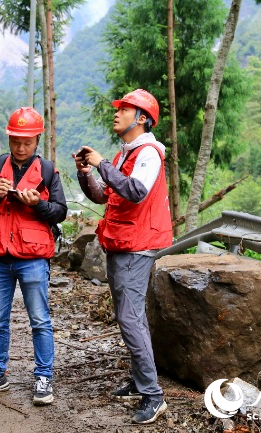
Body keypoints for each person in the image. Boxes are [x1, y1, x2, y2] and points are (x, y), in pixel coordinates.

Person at [73, 89, 172, 424]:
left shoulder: (148, 154)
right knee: (131, 316)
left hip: (137, 245)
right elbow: (103, 195)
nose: (116, 114)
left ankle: (153, 395)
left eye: (125, 109)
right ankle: (139, 380)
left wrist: (100, 162)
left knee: (129, 318)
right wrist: (87, 172)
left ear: (142, 118)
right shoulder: (123, 155)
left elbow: (135, 191)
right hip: (120, 243)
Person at [0, 107, 67, 406]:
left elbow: (60, 211)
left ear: (37, 140)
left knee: (40, 320)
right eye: (16, 141)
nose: (21, 148)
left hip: (33, 258)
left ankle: (43, 377)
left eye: (27, 142)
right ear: (9, 139)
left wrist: (38, 205)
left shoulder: (48, 171)